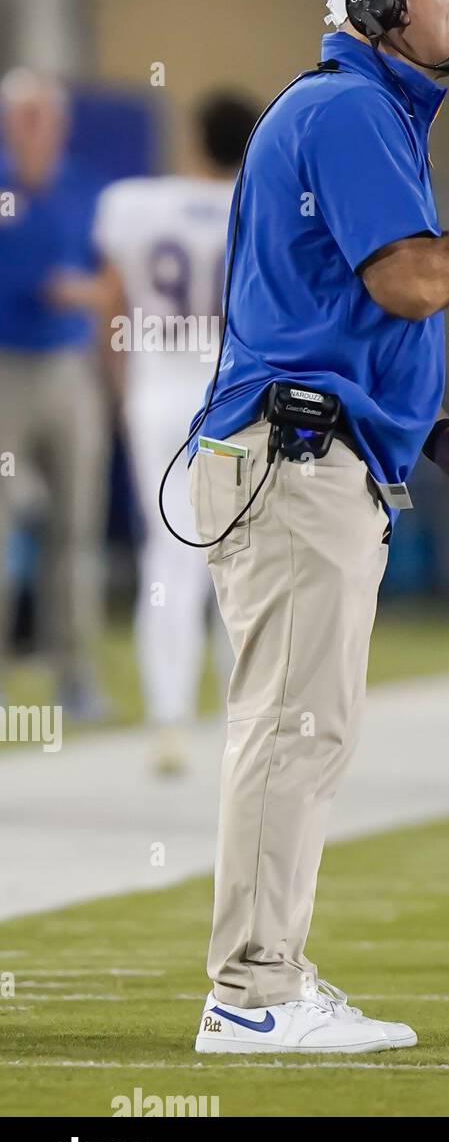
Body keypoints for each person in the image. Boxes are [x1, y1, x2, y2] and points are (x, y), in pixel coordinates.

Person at [187, 0, 449, 1056]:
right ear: (373, 3)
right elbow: (412, 283)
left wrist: (429, 429)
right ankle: (251, 992)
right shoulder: (355, 109)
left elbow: (331, 317)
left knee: (305, 727)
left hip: (313, 445)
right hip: (292, 460)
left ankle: (270, 973)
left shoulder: (358, 110)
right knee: (292, 728)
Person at [94, 92, 258, 774]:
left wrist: (122, 393)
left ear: (194, 138)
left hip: (157, 396)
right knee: (238, 555)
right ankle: (238, 719)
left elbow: (110, 307)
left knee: (168, 558)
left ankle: (167, 722)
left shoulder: (136, 204)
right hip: (228, 400)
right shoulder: (260, 208)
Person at [0, 68, 111, 720]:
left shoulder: (85, 191)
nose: (35, 126)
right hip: (6, 365)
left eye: (44, 115)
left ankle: (75, 677)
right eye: (24, 115)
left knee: (76, 527)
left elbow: (110, 282)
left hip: (68, 367)